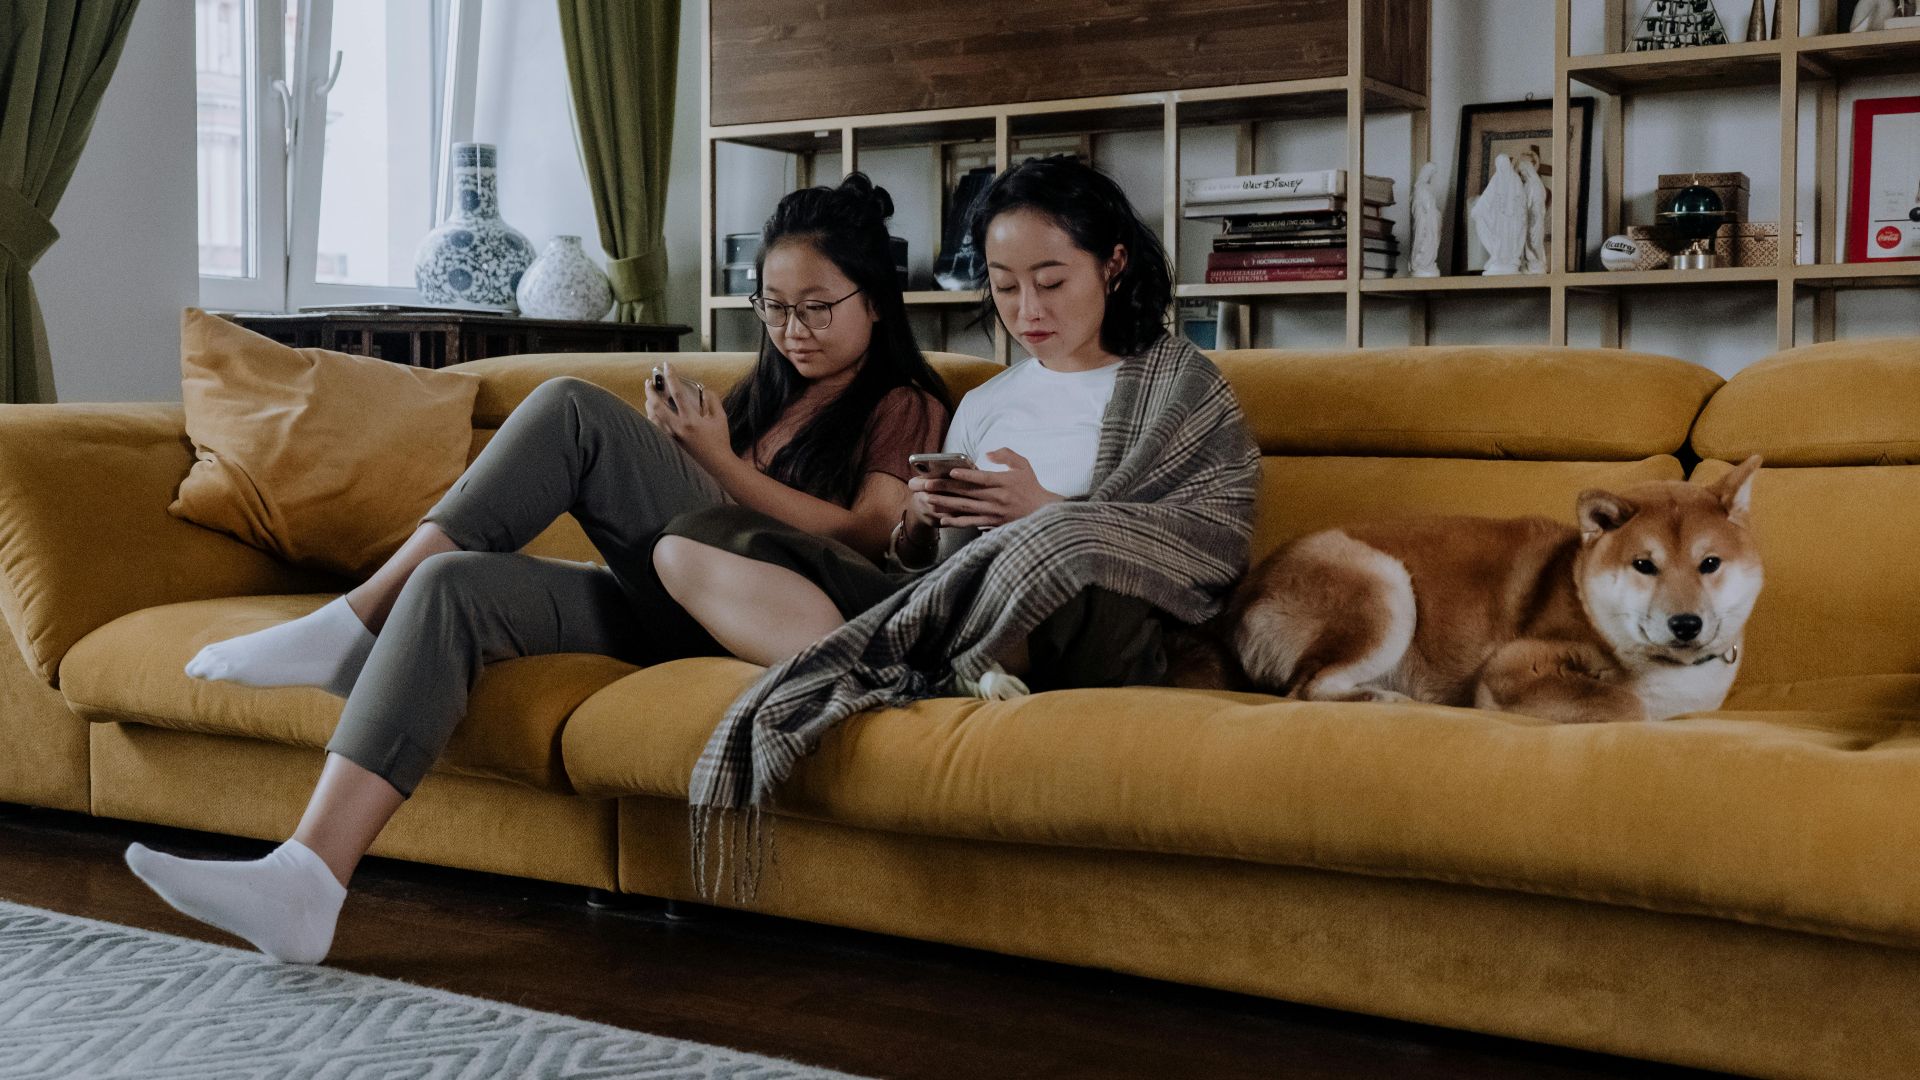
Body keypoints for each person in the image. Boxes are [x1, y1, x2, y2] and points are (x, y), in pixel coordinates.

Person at [124, 173, 950, 964]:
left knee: (570, 409)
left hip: (765, 618)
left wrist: (717, 462)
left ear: (874, 303)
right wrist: (692, 450)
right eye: (773, 307)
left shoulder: (904, 401)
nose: (792, 329)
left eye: (816, 308)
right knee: (449, 588)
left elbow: (864, 541)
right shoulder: (763, 395)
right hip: (670, 605)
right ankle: (308, 880)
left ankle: (353, 621)